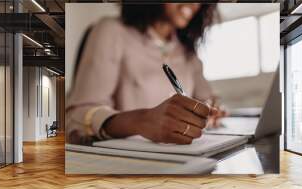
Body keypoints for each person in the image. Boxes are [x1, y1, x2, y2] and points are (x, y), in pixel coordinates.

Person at [67, 3, 225, 145]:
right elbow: (76, 117)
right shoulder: (112, 30)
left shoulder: (189, 52)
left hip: (183, 160)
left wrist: (210, 111)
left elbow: (207, 99)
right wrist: (140, 121)